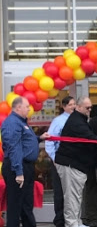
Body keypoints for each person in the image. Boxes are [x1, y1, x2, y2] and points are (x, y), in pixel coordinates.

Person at [1, 96, 50, 227]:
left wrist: (39, 138)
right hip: (17, 166)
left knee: (26, 203)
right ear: (18, 107)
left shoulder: (21, 122)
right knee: (15, 205)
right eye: (27, 106)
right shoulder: (12, 123)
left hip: (25, 166)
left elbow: (24, 141)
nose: (29, 109)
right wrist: (18, 171)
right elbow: (14, 148)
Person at [55, 97, 97, 227]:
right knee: (72, 198)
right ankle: (71, 223)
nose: (89, 110)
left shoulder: (80, 120)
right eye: (87, 108)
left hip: (77, 164)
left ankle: (76, 221)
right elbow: (90, 138)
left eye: (91, 108)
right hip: (71, 164)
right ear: (78, 107)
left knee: (76, 196)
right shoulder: (77, 122)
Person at [45, 96, 76, 227]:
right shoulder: (58, 121)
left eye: (74, 104)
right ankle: (59, 220)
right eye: (70, 105)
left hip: (74, 162)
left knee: (72, 193)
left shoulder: (78, 120)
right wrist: (54, 159)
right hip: (60, 161)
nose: (73, 107)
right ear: (64, 106)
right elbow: (50, 141)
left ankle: (72, 219)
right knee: (60, 193)